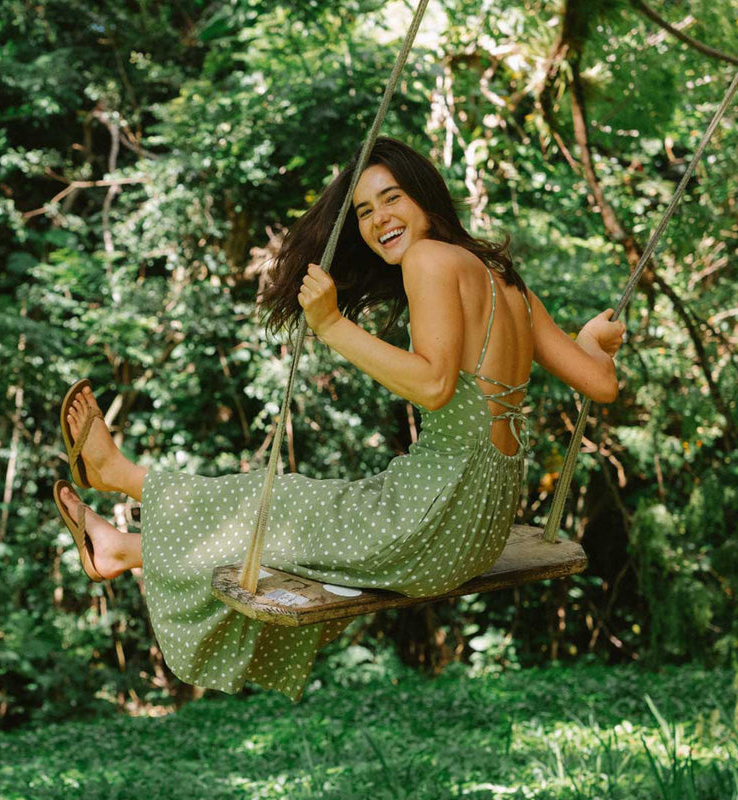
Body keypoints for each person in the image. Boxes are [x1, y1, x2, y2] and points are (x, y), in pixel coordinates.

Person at [54, 137, 626, 702]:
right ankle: (122, 549)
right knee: (290, 514)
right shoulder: (504, 279)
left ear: (426, 198)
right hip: (478, 529)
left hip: (430, 521)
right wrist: (590, 343)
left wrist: (331, 325)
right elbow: (600, 384)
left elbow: (434, 385)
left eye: (392, 198)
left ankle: (118, 475)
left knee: (276, 499)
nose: (379, 220)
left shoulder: (429, 259)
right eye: (364, 211)